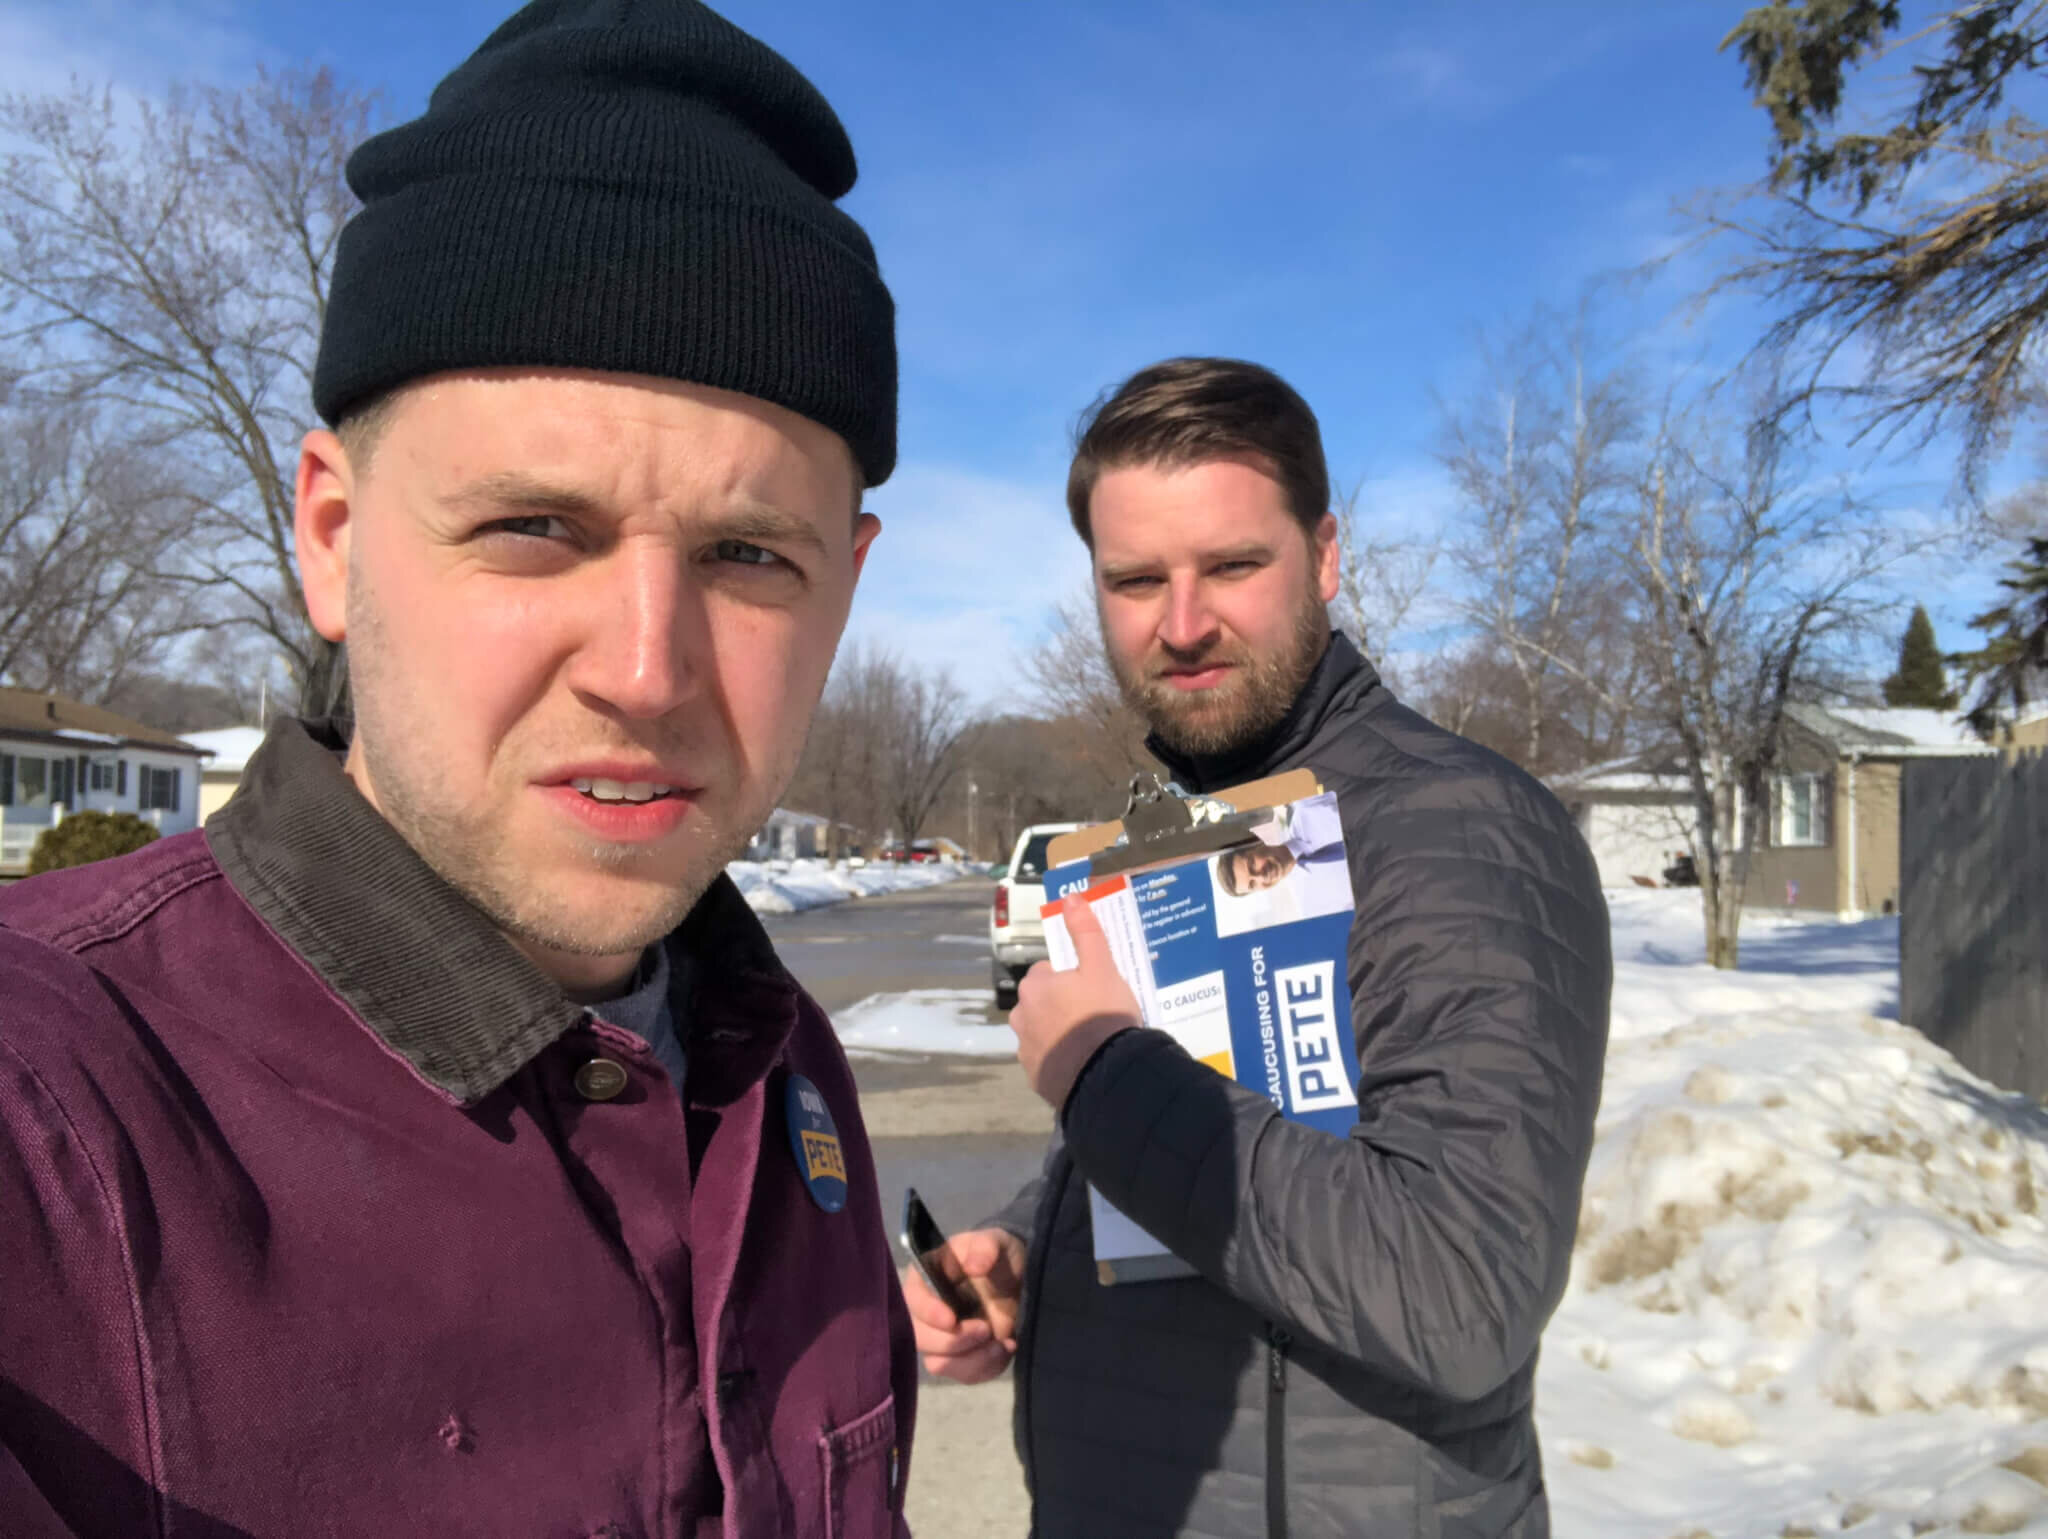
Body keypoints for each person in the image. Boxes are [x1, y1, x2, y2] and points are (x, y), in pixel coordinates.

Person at [0, 5, 913, 1536]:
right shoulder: (54, 1125)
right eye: (533, 527)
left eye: (750, 555)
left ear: (847, 586)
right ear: (334, 537)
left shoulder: (787, 1073)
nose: (646, 668)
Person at [903, 358, 1612, 1537]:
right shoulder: (1182, 835)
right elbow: (1227, 1132)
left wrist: (1099, 1072)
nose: (1181, 625)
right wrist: (1037, 1247)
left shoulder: (1457, 831)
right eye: (1136, 579)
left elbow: (1459, 1294)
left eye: (1231, 566)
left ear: (1323, 558)